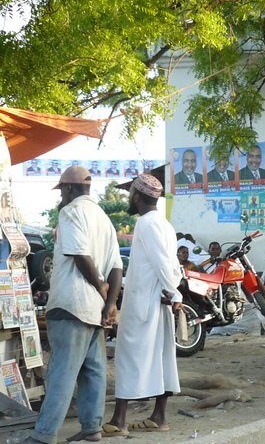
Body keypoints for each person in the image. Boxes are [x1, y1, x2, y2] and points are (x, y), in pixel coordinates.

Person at [24, 166, 123, 444]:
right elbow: (117, 266)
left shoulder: (70, 213)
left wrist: (101, 289)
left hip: (71, 304)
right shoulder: (104, 218)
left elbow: (80, 256)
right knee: (93, 371)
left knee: (62, 372)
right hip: (95, 310)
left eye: (62, 191)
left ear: (68, 188)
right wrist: (110, 302)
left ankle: (44, 435)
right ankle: (92, 428)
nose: (61, 197)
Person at [105, 174, 182, 435]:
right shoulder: (165, 224)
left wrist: (175, 294)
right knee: (162, 357)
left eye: (130, 194)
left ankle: (119, 421)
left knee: (128, 358)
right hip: (158, 301)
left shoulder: (147, 224)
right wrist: (172, 292)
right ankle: (158, 417)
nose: (129, 198)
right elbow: (173, 265)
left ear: (137, 196)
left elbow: (162, 263)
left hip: (144, 303)